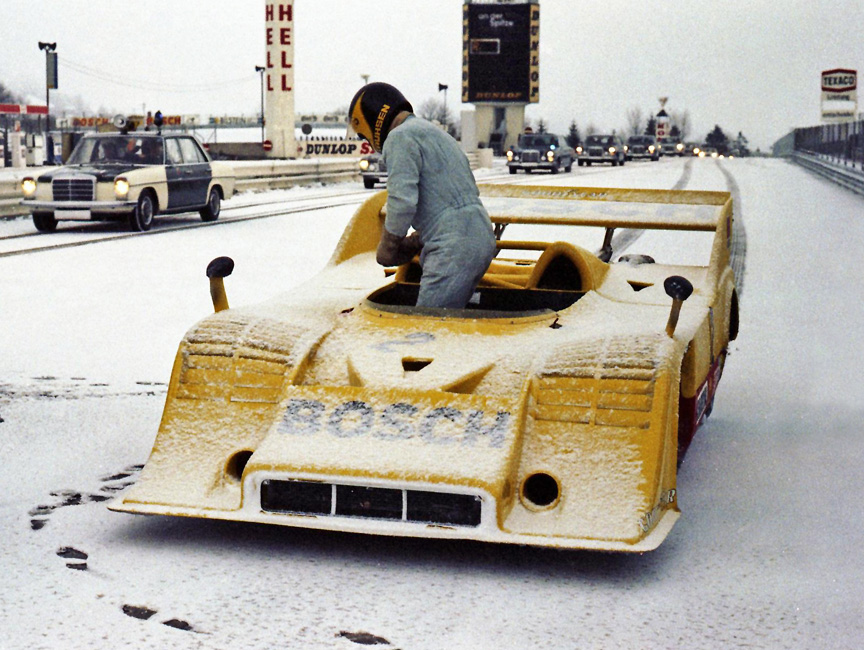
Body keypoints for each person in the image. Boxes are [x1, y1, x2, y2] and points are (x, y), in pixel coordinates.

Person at [348, 82, 497, 309]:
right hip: (481, 234)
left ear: (372, 121)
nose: (370, 142)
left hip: (452, 247)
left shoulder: (398, 138)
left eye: (365, 136)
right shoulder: (437, 134)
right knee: (450, 322)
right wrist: (421, 237)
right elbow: (454, 197)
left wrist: (389, 246)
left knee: (427, 329)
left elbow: (402, 201)